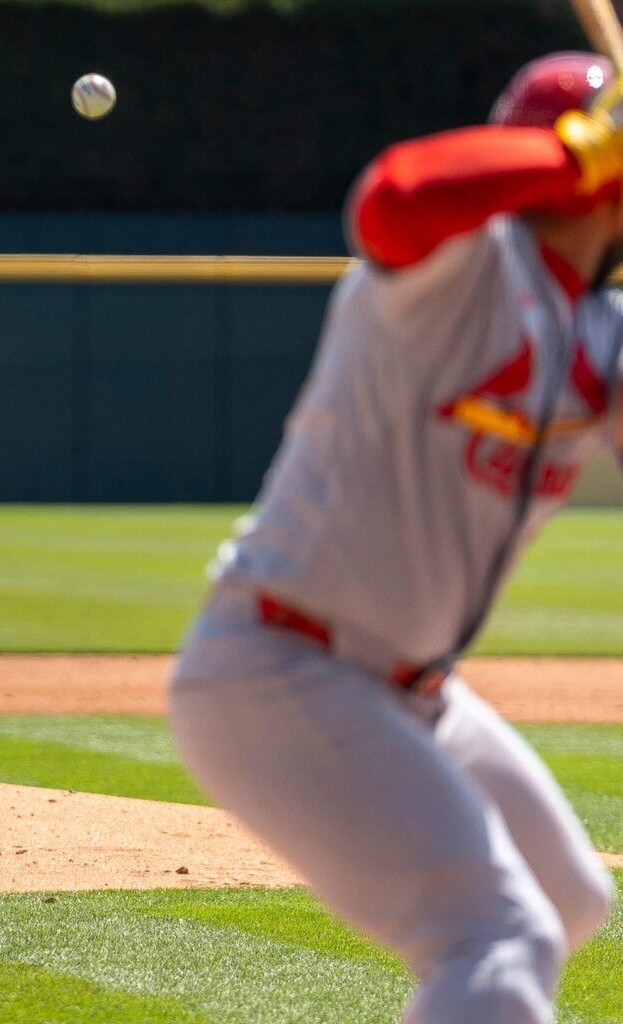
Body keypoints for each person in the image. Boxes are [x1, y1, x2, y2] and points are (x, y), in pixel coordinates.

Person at [168, 53, 619, 1024]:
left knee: (572, 900)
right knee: (499, 937)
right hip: (280, 662)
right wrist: (579, 150)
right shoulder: (462, 268)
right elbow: (394, 196)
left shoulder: (596, 328)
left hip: (415, 689)